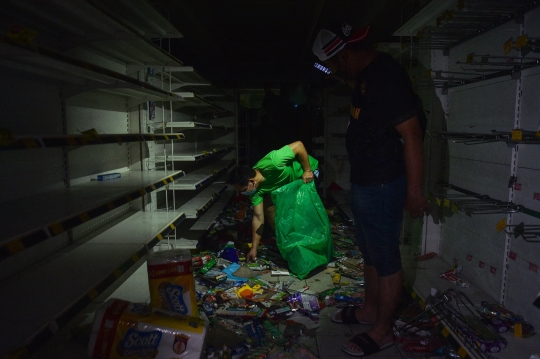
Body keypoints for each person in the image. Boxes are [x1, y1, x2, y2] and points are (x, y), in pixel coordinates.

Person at [312, 22, 433, 357]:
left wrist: (414, 191)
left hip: (383, 181)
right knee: (369, 250)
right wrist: (333, 72)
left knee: (385, 256)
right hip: (366, 180)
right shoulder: (366, 76)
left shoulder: (385, 77)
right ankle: (369, 310)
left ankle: (383, 330)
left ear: (347, 53)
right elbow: (354, 85)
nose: (337, 70)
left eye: (336, 63)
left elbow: (412, 135)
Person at [227, 141, 319, 262]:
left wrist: (307, 170)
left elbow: (299, 145)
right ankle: (286, 240)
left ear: (252, 181)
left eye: (243, 190)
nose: (242, 193)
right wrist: (254, 248)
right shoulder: (255, 192)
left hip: (308, 173)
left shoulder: (273, 162)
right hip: (290, 185)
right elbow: (258, 218)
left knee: (302, 212)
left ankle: (313, 245)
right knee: (269, 207)